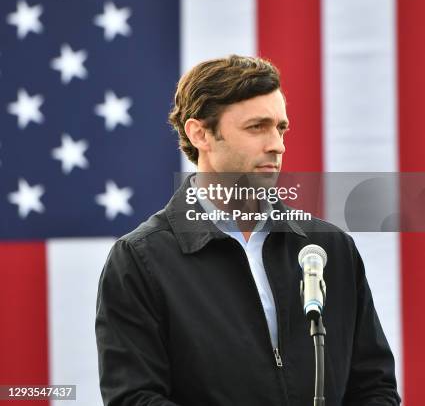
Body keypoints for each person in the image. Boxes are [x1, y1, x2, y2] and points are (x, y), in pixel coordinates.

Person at [95, 55, 400, 405]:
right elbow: (134, 397)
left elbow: (375, 387)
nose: (277, 144)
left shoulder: (330, 247)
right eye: (257, 127)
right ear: (200, 134)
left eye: (281, 128)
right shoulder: (140, 260)